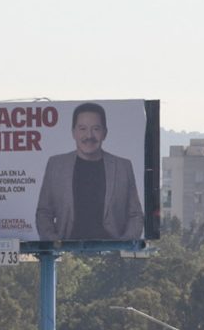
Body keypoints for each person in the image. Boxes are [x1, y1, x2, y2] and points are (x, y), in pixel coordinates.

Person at [33, 102, 144, 243]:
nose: (89, 135)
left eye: (96, 129)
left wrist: (124, 244)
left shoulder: (123, 166)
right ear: (73, 132)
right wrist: (55, 244)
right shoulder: (56, 165)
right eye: (82, 128)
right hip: (67, 251)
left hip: (111, 252)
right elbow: (44, 212)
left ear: (105, 132)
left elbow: (135, 214)